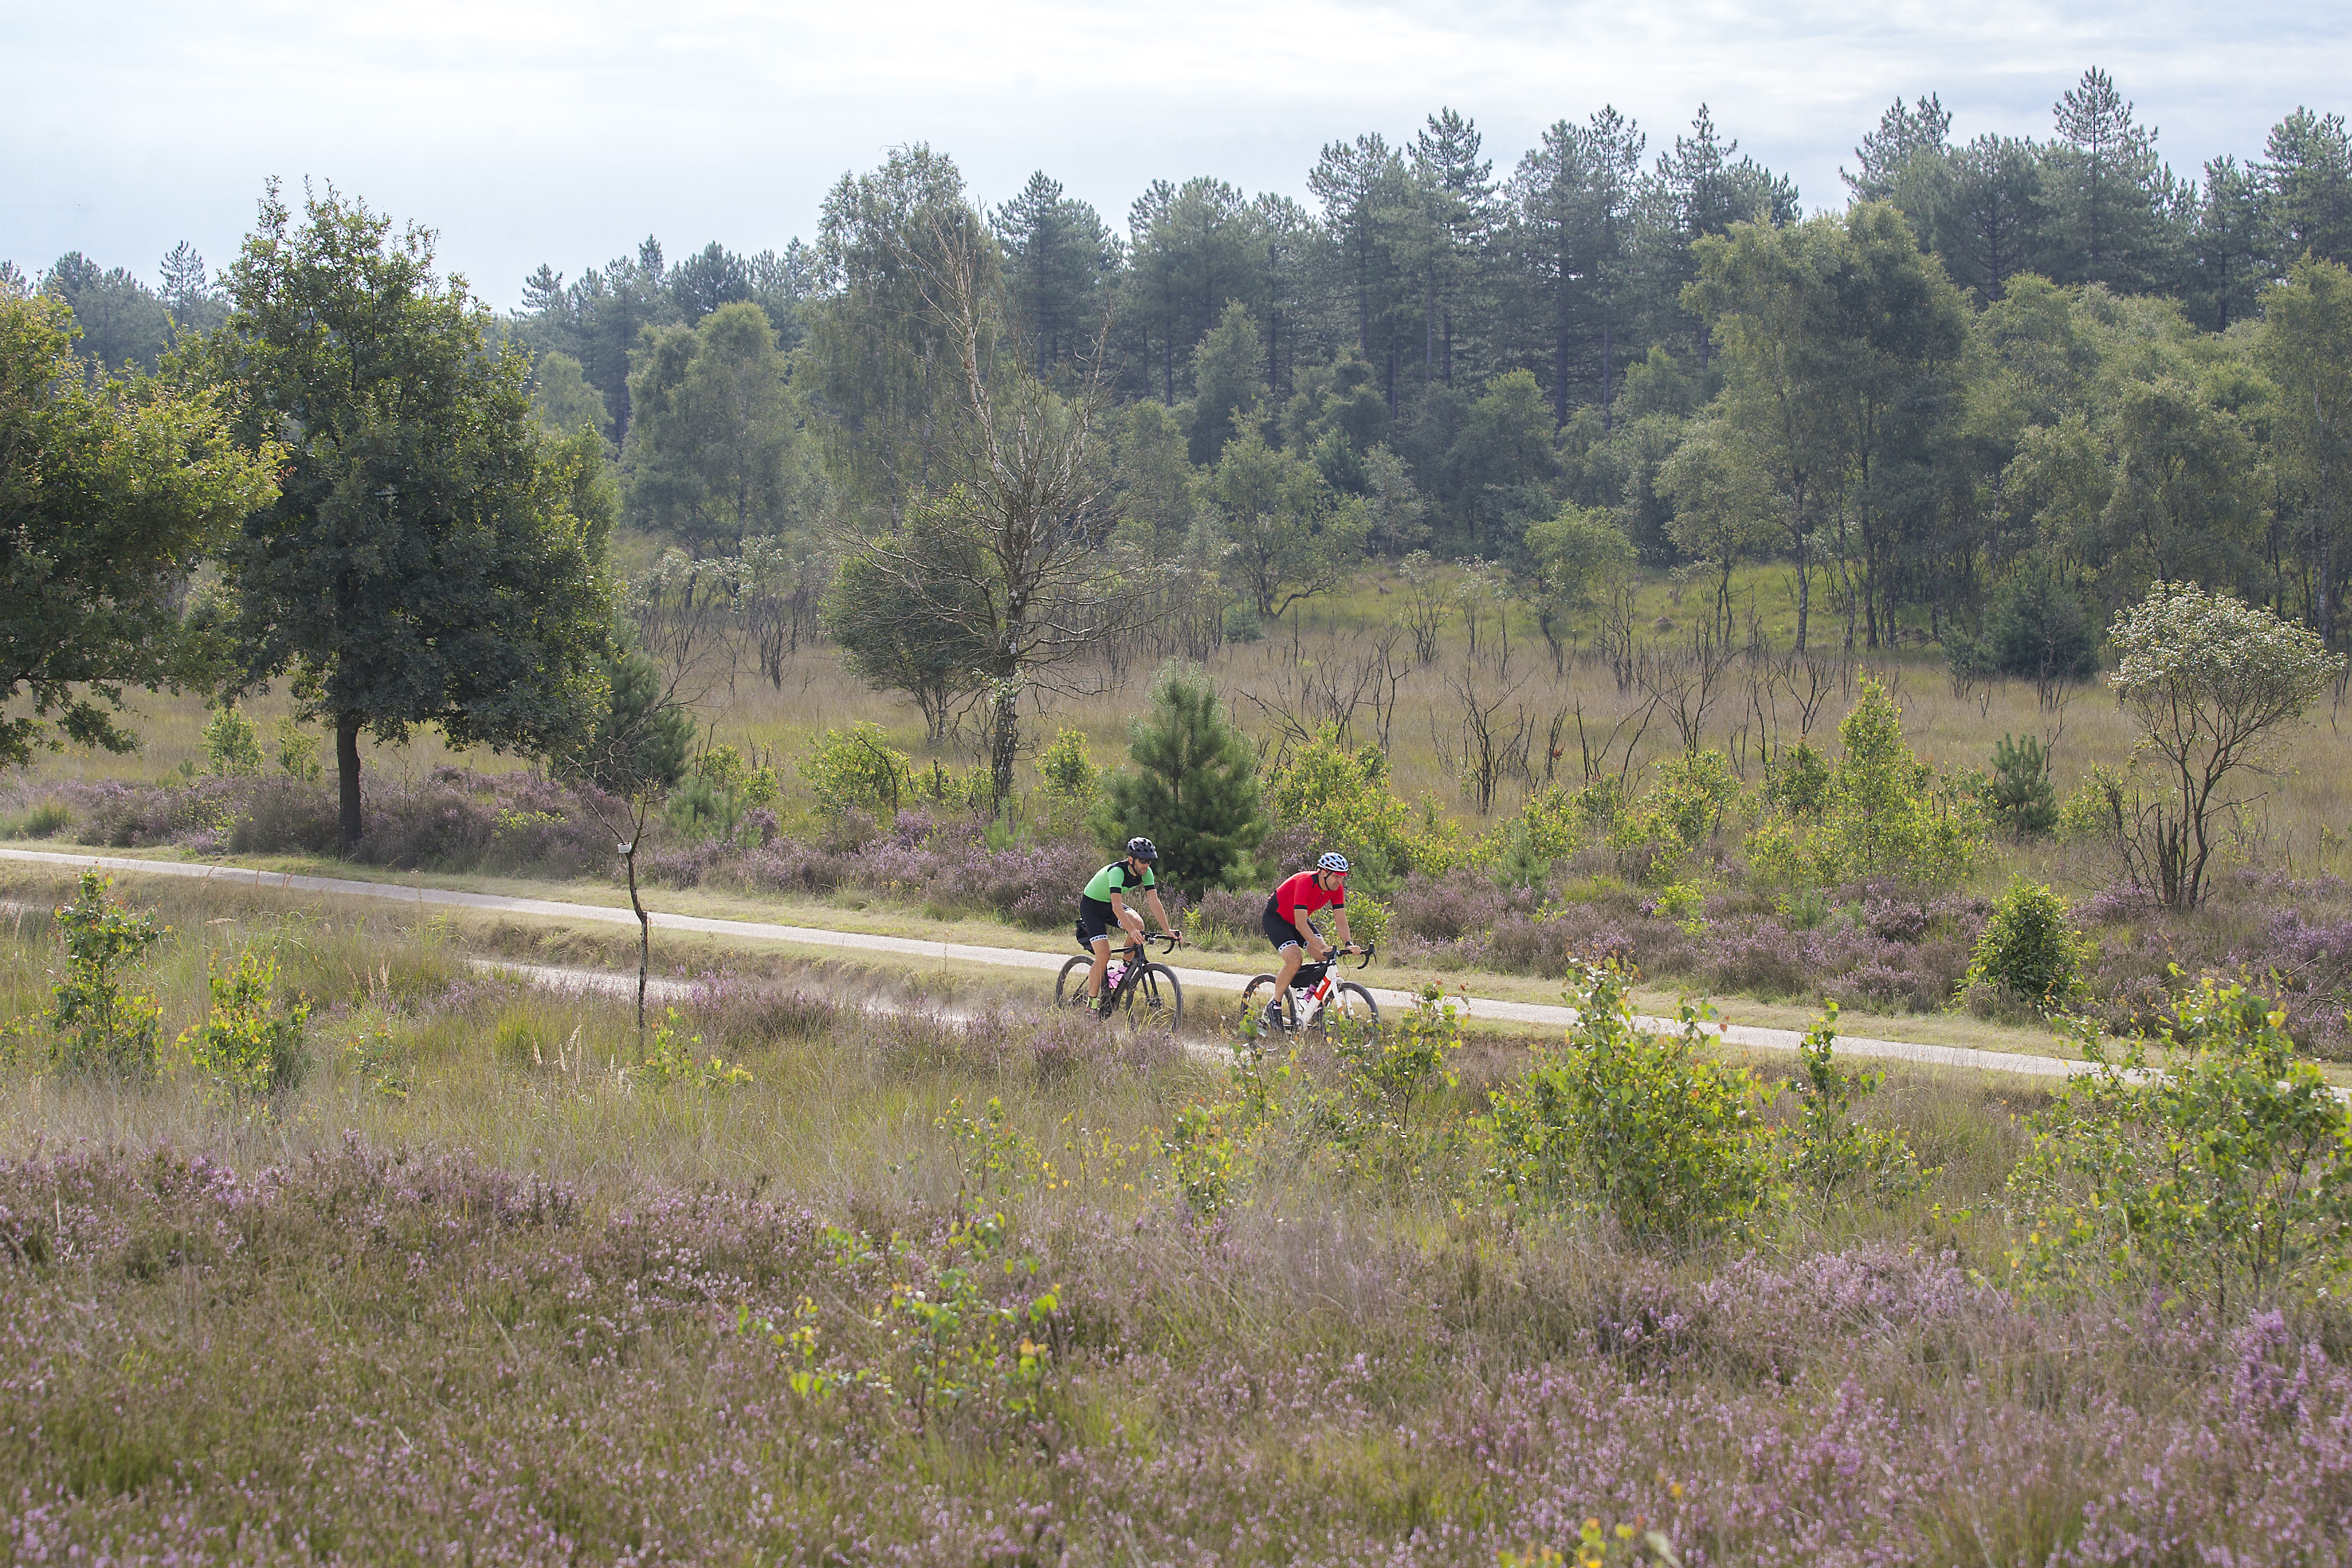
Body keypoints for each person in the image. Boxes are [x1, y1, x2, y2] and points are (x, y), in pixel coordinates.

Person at [1076, 837, 1181, 1008]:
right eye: (1142, 861)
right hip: (1092, 906)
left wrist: (1167, 930)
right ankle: (1092, 1006)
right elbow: (1117, 905)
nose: (1146, 865)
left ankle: (1122, 971)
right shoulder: (1117, 871)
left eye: (1149, 861)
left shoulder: (1146, 873)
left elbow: (1154, 902)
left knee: (1139, 924)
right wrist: (1130, 930)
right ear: (1131, 860)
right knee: (1103, 955)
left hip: (1109, 905)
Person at [1260, 852, 1357, 1026]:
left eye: (1342, 877)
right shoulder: (1305, 882)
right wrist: (1321, 945)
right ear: (1323, 872)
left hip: (1299, 920)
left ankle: (1308, 996)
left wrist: (1348, 943)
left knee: (1324, 958)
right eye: (1336, 876)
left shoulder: (1336, 889)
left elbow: (1341, 920)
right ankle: (1274, 1004)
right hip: (1276, 918)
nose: (1339, 881)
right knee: (1294, 959)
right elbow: (1300, 925)